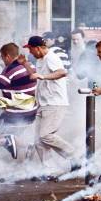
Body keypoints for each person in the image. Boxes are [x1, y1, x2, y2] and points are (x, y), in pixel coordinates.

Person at [18, 36, 80, 176]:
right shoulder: (41, 59)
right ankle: (50, 169)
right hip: (44, 103)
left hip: (55, 103)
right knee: (38, 141)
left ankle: (74, 156)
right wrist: (25, 64)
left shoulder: (51, 57)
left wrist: (43, 77)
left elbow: (62, 72)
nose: (30, 52)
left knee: (45, 135)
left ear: (38, 48)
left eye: (31, 49)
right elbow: (35, 75)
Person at [0, 43, 39, 159]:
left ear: (7, 56)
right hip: (30, 111)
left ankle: (13, 142)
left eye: (2, 57)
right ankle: (27, 148)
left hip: (17, 114)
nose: (2, 60)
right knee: (7, 135)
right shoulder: (29, 65)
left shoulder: (10, 69)